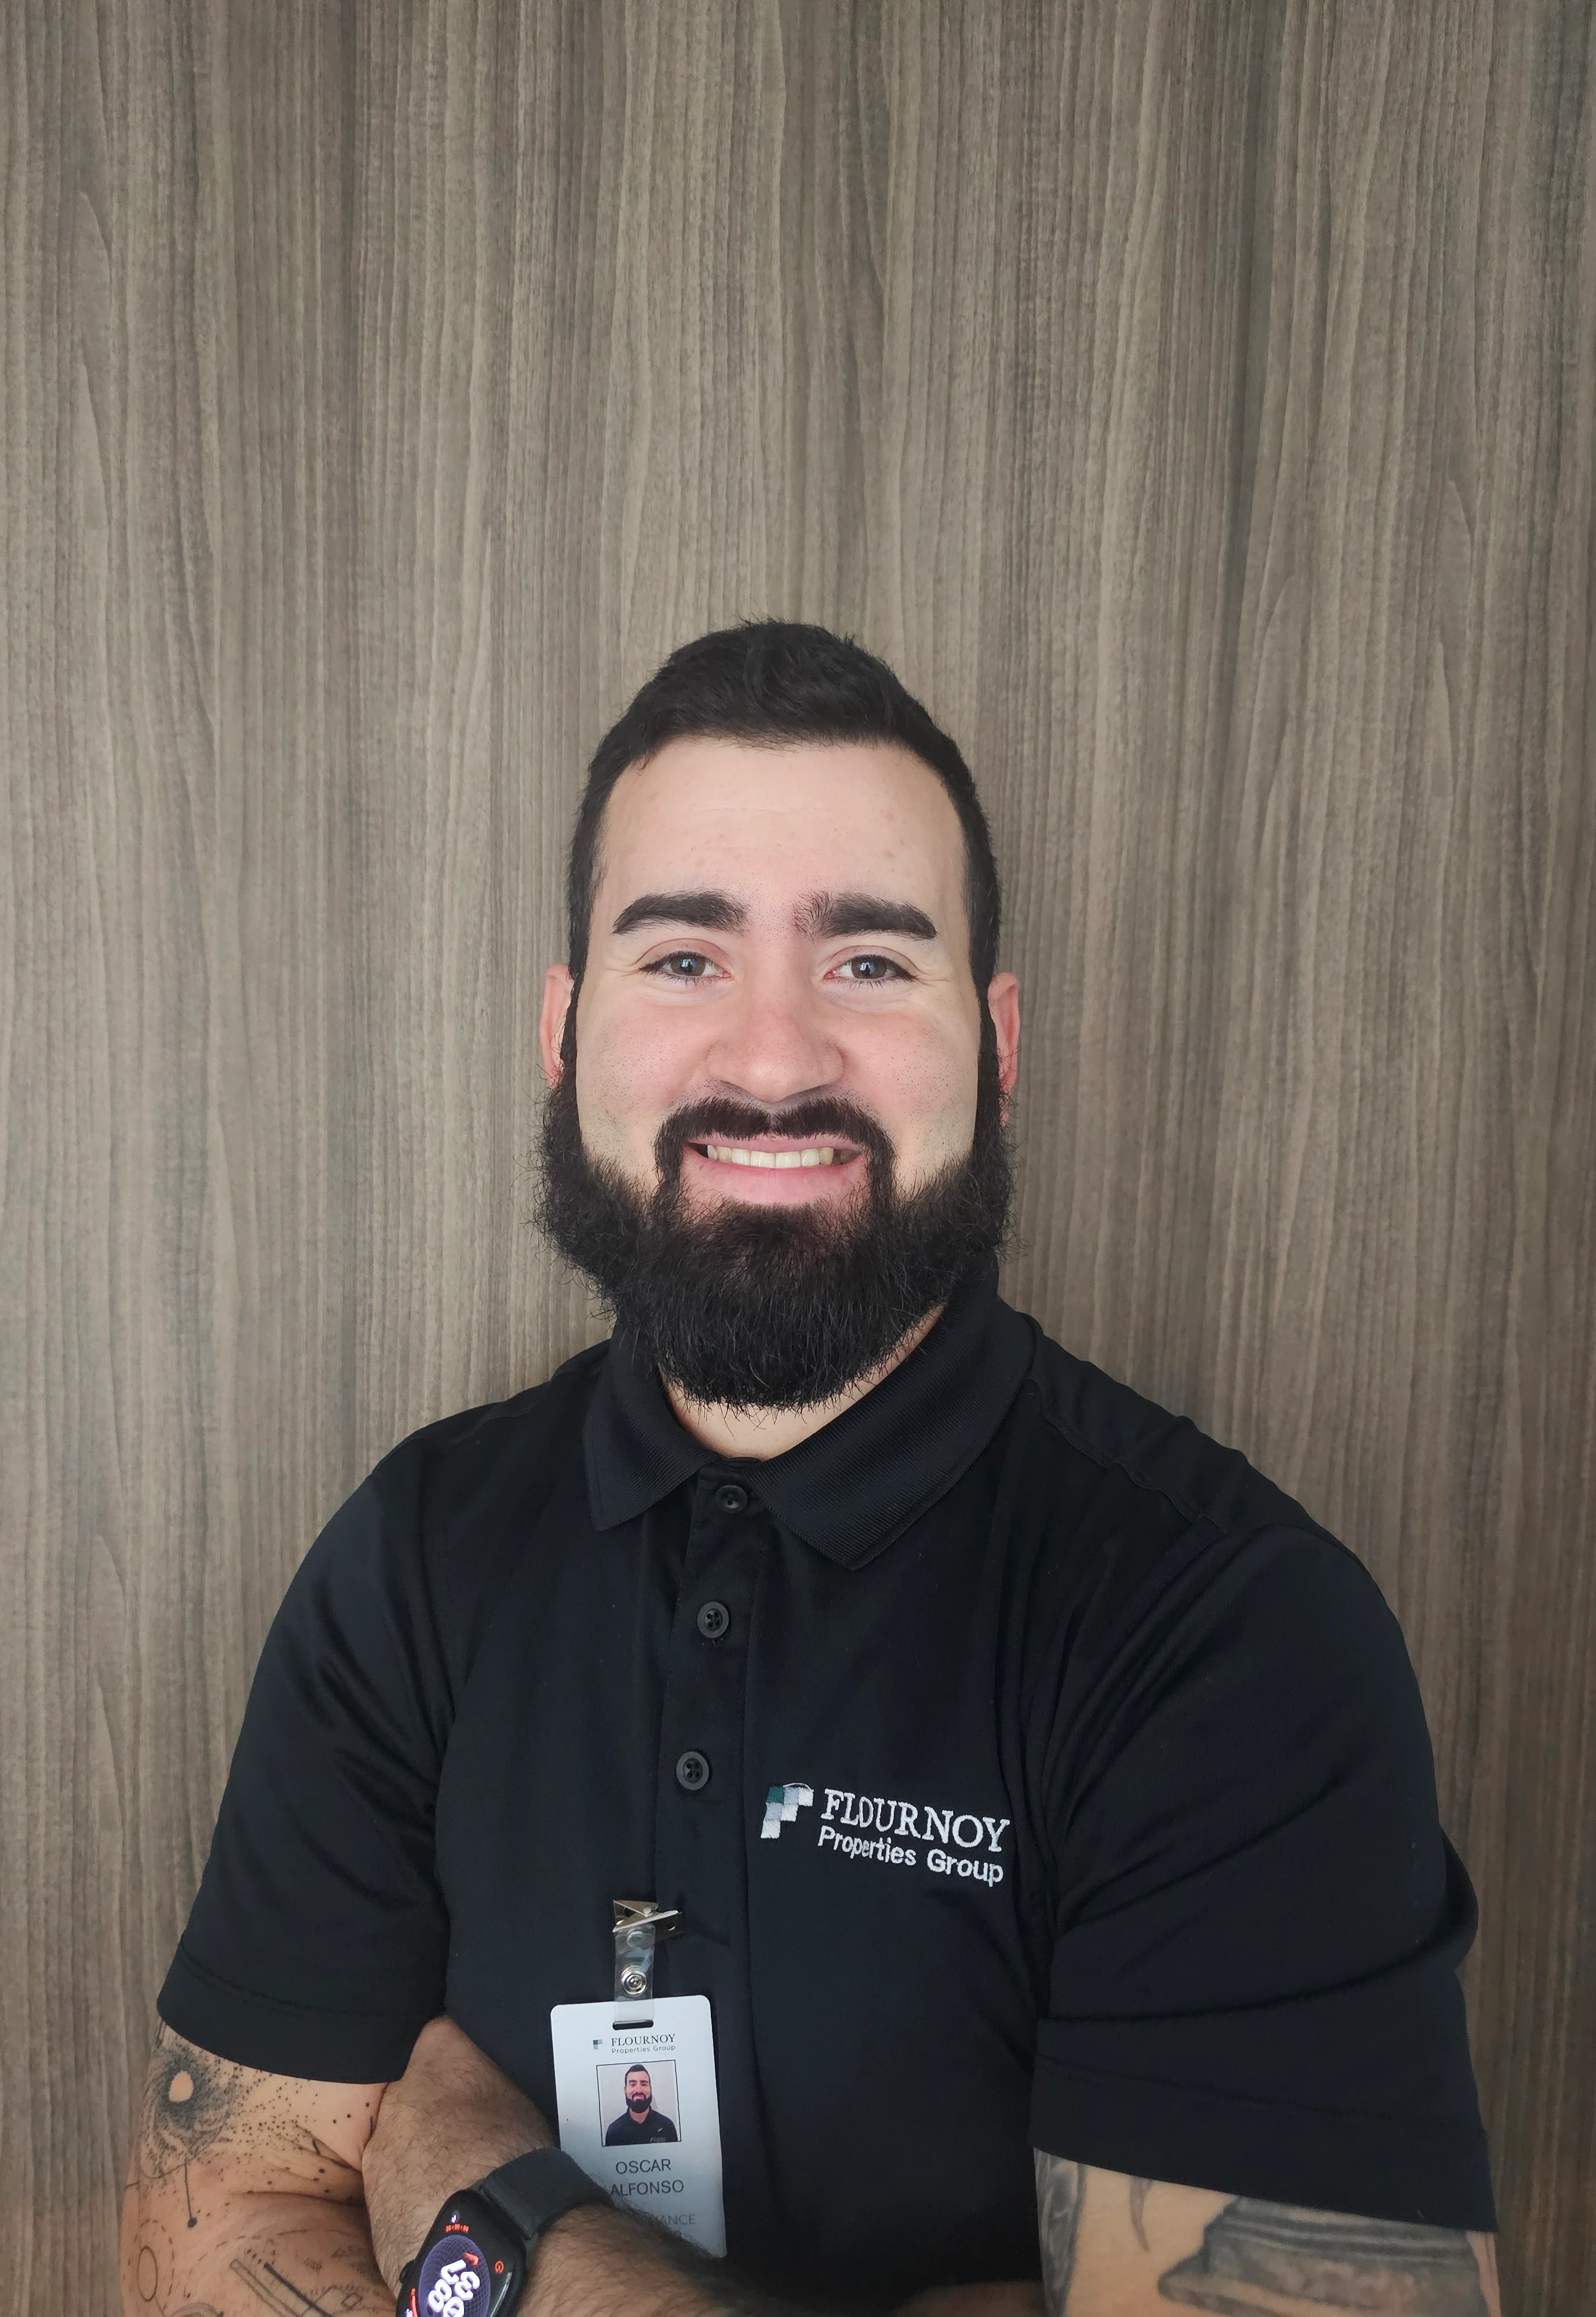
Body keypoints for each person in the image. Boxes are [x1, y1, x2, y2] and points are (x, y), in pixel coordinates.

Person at [122, 623, 1502, 2317]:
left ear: (994, 1046)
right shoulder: (412, 1557)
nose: (772, 1059)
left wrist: (492, 2207)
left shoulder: (1231, 1637)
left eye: (865, 961)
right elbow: (218, 2210)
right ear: (564, 1033)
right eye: (683, 956)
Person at [605, 2066, 680, 2147]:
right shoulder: (614, 2131)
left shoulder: (667, 2126)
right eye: (633, 2085)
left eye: (644, 2084)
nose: (639, 2090)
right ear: (625, 2090)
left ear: (650, 2089)